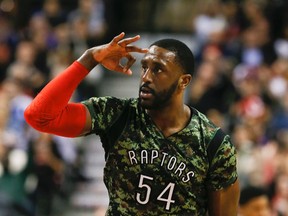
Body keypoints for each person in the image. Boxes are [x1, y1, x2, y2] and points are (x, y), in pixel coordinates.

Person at [24, 32, 240, 215]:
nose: (145, 77)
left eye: (158, 69)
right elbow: (39, 116)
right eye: (144, 68)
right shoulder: (117, 114)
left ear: (184, 81)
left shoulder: (214, 143)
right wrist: (90, 58)